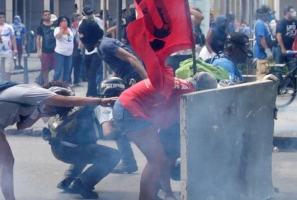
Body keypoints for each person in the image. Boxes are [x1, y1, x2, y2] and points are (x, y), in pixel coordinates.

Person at [0, 81, 116, 200]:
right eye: (54, 108)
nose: (52, 113)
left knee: (1, 165)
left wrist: (40, 114)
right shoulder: (36, 93)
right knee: (3, 164)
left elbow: (21, 126)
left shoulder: (37, 103)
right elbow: (68, 101)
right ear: (52, 97)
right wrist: (101, 100)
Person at [112, 72, 218, 200]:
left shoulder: (181, 84)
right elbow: (181, 119)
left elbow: (166, 117)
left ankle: (151, 195)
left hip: (126, 106)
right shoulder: (189, 91)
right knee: (156, 159)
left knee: (158, 158)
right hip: (130, 109)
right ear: (202, 90)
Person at [79, 18, 147, 174]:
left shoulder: (105, 45)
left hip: (134, 82)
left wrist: (146, 81)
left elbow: (132, 58)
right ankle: (129, 161)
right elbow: (121, 66)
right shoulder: (104, 45)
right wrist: (112, 81)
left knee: (119, 121)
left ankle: (132, 161)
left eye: (82, 36)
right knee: (119, 121)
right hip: (129, 82)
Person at [42, 83, 120, 199]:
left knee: (88, 148)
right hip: (71, 150)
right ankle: (83, 184)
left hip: (58, 148)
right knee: (113, 155)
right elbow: (108, 133)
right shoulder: (104, 108)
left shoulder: (88, 103)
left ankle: (68, 180)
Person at [78, 5, 104, 97]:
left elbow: (101, 33)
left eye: (91, 12)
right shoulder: (82, 23)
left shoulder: (97, 21)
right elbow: (82, 36)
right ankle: (91, 91)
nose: (90, 14)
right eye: (88, 13)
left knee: (93, 72)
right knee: (89, 73)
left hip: (97, 50)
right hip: (87, 50)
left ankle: (92, 92)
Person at [253, 6, 274, 80]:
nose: (269, 16)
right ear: (263, 14)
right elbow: (261, 38)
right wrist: (267, 50)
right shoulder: (260, 24)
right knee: (262, 75)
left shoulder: (264, 23)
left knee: (267, 74)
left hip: (265, 54)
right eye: (268, 14)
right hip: (262, 55)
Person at [36, 10, 57, 85]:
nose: (47, 16)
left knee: (56, 68)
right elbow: (38, 39)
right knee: (45, 68)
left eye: (48, 14)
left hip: (55, 50)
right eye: (45, 15)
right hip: (45, 50)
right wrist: (39, 51)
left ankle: (56, 82)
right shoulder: (40, 27)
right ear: (43, 16)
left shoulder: (55, 25)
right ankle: (46, 83)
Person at [53, 15, 74, 83]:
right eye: (62, 21)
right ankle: (54, 83)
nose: (64, 22)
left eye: (65, 21)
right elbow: (58, 37)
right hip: (60, 53)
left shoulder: (69, 30)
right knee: (58, 71)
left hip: (69, 53)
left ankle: (65, 85)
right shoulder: (57, 29)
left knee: (67, 71)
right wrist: (62, 28)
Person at [70, 13, 83, 86]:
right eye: (78, 20)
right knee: (71, 65)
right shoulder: (70, 28)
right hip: (73, 48)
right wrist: (77, 32)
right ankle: (68, 80)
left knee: (78, 65)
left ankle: (77, 80)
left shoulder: (81, 27)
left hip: (79, 47)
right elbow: (72, 38)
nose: (79, 21)